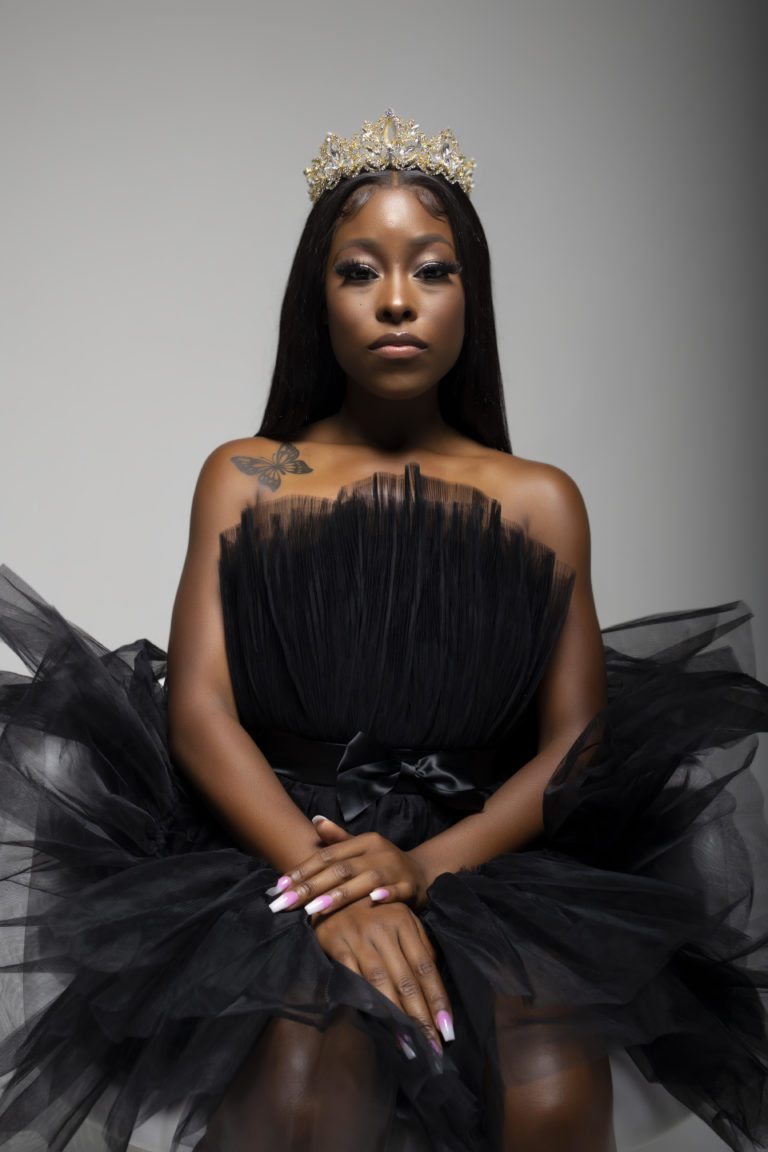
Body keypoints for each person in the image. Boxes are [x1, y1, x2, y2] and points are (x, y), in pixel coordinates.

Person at [0, 110, 767, 1152]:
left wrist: (420, 869)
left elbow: (577, 742)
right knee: (309, 1075)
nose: (398, 299)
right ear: (317, 300)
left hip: (489, 859)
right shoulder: (248, 474)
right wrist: (328, 891)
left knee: (551, 1094)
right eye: (361, 271)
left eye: (433, 271)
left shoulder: (540, 499)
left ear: (471, 297)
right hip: (278, 844)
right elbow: (200, 708)